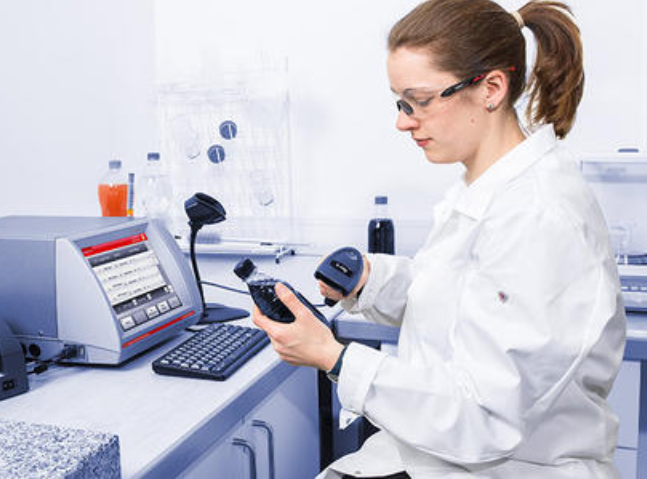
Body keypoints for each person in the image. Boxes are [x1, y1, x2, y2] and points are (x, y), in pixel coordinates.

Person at [251, 0, 627, 477]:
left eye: (421, 101)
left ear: (491, 89)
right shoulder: (488, 187)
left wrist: (334, 357)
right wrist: (371, 280)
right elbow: (459, 297)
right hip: (444, 451)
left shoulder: (536, 216)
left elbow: (483, 419)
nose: (403, 121)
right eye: (400, 102)